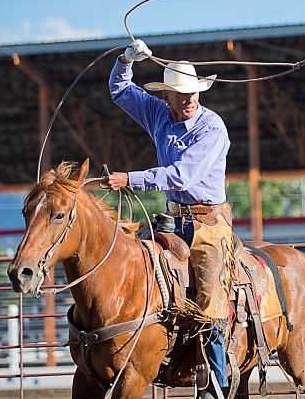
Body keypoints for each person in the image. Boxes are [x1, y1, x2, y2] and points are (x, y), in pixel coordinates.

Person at [105, 39, 234, 398]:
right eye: (181, 93)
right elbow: (119, 90)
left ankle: (215, 384)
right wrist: (125, 60)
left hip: (208, 223)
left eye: (193, 91)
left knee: (209, 299)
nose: (189, 98)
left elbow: (182, 176)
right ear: (168, 97)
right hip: (171, 219)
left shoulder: (212, 128)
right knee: (130, 267)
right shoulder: (158, 113)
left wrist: (129, 179)